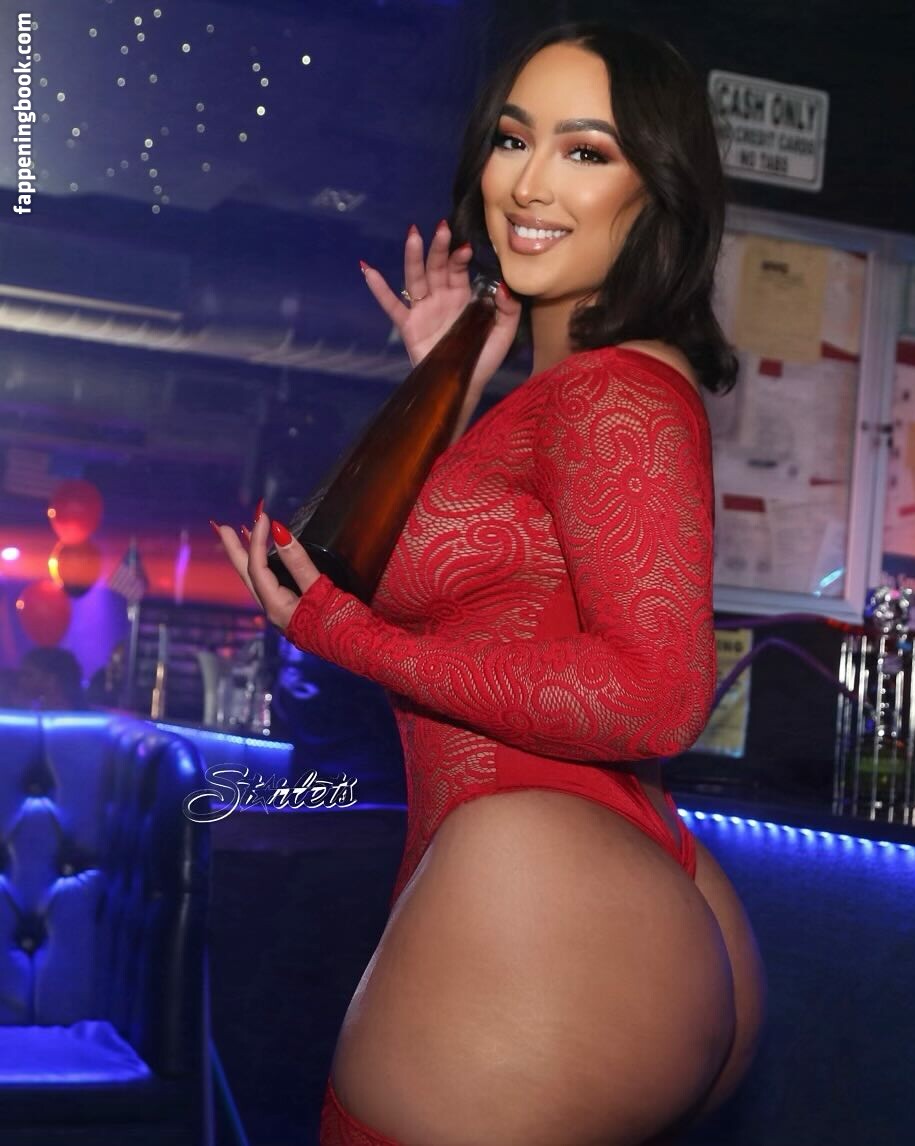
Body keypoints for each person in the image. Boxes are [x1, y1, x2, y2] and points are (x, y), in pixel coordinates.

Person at [218, 22, 765, 1145]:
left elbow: (660, 696)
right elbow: (429, 577)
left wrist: (348, 637)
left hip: (543, 886)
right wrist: (446, 383)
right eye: (515, 139)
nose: (527, 182)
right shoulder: (558, 395)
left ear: (656, 191)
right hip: (559, 879)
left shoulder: (614, 394)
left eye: (584, 151)